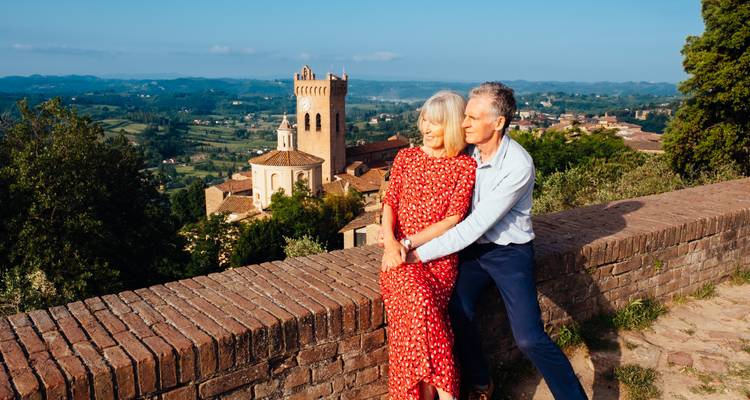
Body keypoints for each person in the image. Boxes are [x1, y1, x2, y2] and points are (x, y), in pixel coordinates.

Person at [405, 82, 588, 400]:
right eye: (465, 117)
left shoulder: (517, 165)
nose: (464, 124)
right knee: (455, 313)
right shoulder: (465, 150)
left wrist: (415, 253)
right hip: (472, 252)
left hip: (509, 253)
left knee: (529, 338)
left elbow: (473, 226)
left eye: (473, 118)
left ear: (499, 122)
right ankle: (481, 383)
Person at [380, 91, 477, 400]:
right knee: (422, 316)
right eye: (424, 119)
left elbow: (452, 220)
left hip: (437, 259)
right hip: (397, 257)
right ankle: (448, 395)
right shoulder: (405, 157)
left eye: (435, 122)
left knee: (420, 318)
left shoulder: (464, 166)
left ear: (450, 126)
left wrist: (408, 243)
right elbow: (389, 202)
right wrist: (391, 244)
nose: (426, 127)